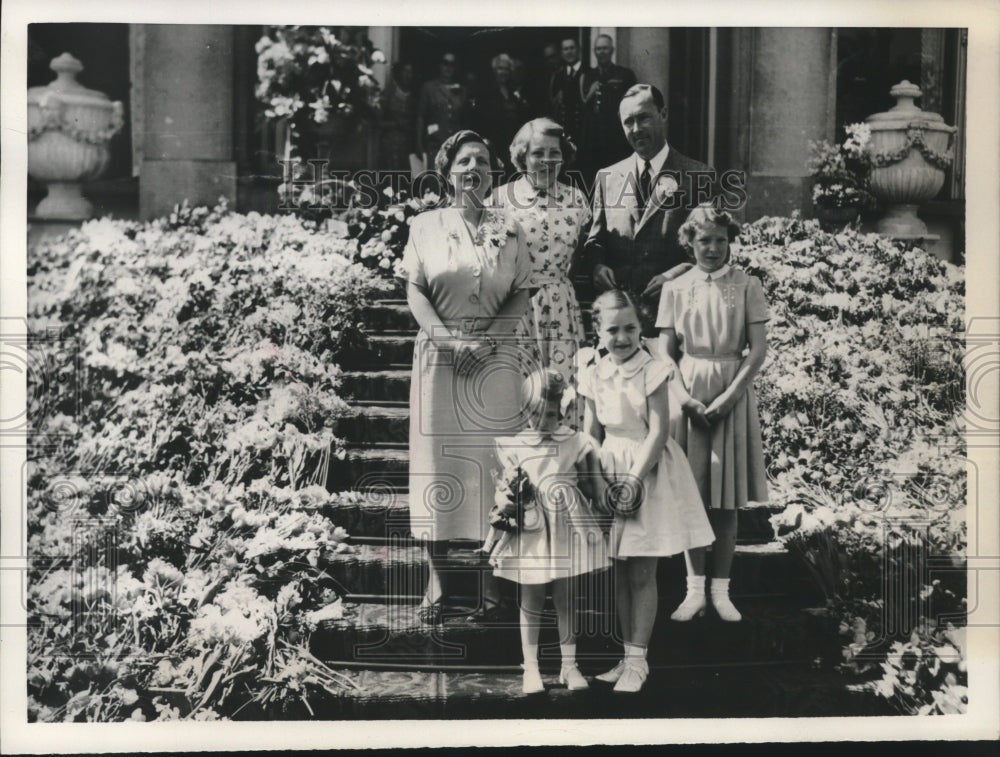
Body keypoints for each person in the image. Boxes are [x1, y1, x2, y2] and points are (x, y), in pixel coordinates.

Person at [396, 130, 533, 624]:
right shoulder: (424, 225)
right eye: (464, 161)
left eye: (482, 161)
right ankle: (437, 579)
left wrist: (490, 339)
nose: (474, 168)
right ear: (447, 172)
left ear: (493, 174)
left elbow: (522, 291)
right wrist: (450, 342)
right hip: (441, 357)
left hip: (496, 358)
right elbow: (415, 291)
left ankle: (493, 579)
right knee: (437, 464)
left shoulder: (510, 227)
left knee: (496, 466)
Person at [578, 290, 715, 693]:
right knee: (620, 572)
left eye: (630, 328)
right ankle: (628, 656)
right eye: (612, 330)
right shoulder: (593, 371)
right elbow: (590, 433)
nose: (622, 338)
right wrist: (599, 482)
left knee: (641, 572)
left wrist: (633, 481)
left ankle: (639, 662)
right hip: (609, 470)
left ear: (641, 328)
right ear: (598, 331)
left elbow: (658, 431)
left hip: (647, 471)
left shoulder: (653, 369)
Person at [656, 205, 770, 623]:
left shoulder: (747, 285)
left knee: (725, 499)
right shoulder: (675, 288)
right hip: (688, 394)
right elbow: (665, 351)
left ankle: (721, 592)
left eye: (721, 240)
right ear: (689, 241)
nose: (713, 248)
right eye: (704, 240)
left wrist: (729, 398)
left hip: (731, 394)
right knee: (692, 496)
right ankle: (694, 591)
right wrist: (683, 398)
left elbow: (757, 351)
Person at [491, 369, 610, 694]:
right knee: (531, 599)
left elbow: (591, 484)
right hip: (532, 529)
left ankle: (569, 665)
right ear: (525, 410)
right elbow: (504, 487)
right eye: (535, 414)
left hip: (566, 527)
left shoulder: (575, 441)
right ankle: (531, 667)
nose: (543, 422)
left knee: (566, 598)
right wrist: (505, 499)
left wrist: (605, 499)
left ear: (563, 411)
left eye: (551, 415)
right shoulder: (516, 445)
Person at [584, 83, 715, 336]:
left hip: (674, 319)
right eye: (628, 122)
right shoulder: (607, 177)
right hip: (620, 324)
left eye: (643, 118)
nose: (636, 129)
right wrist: (597, 266)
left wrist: (674, 276)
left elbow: (713, 247)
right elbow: (595, 240)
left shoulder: (699, 177)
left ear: (663, 115)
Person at [493, 118, 591, 425]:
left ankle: (566, 453)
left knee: (564, 391)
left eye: (554, 153)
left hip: (562, 306)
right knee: (522, 392)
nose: (547, 161)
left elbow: (582, 255)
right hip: (518, 307)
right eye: (538, 153)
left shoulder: (577, 200)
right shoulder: (499, 199)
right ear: (523, 156)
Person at [579, 35, 637, 183]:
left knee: (617, 178)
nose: (602, 52)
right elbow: (582, 107)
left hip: (616, 137)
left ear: (612, 50)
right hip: (592, 139)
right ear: (594, 51)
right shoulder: (587, 76)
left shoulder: (625, 75)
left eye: (605, 48)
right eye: (598, 49)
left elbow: (633, 104)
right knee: (592, 179)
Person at [474, 54, 532, 176]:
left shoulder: (512, 90)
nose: (503, 72)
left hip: (512, 144)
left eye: (506, 69)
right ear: (494, 70)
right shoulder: (485, 91)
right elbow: (480, 121)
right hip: (494, 145)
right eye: (500, 68)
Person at [416, 52, 468, 165]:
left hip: (455, 145)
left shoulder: (461, 90)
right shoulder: (429, 88)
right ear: (439, 65)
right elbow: (421, 117)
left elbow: (464, 119)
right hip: (435, 144)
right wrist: (419, 144)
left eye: (452, 65)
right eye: (445, 63)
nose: (448, 68)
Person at [548, 38, 588, 148]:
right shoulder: (557, 76)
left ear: (579, 50)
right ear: (561, 53)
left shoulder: (588, 73)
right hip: (564, 134)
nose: (569, 52)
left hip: (584, 134)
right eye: (565, 49)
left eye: (572, 48)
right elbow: (554, 107)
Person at [378, 61, 417, 173]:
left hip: (406, 146)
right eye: (405, 71)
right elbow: (377, 122)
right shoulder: (388, 94)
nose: (408, 75)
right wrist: (396, 124)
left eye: (411, 72)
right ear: (399, 73)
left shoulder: (413, 98)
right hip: (389, 145)